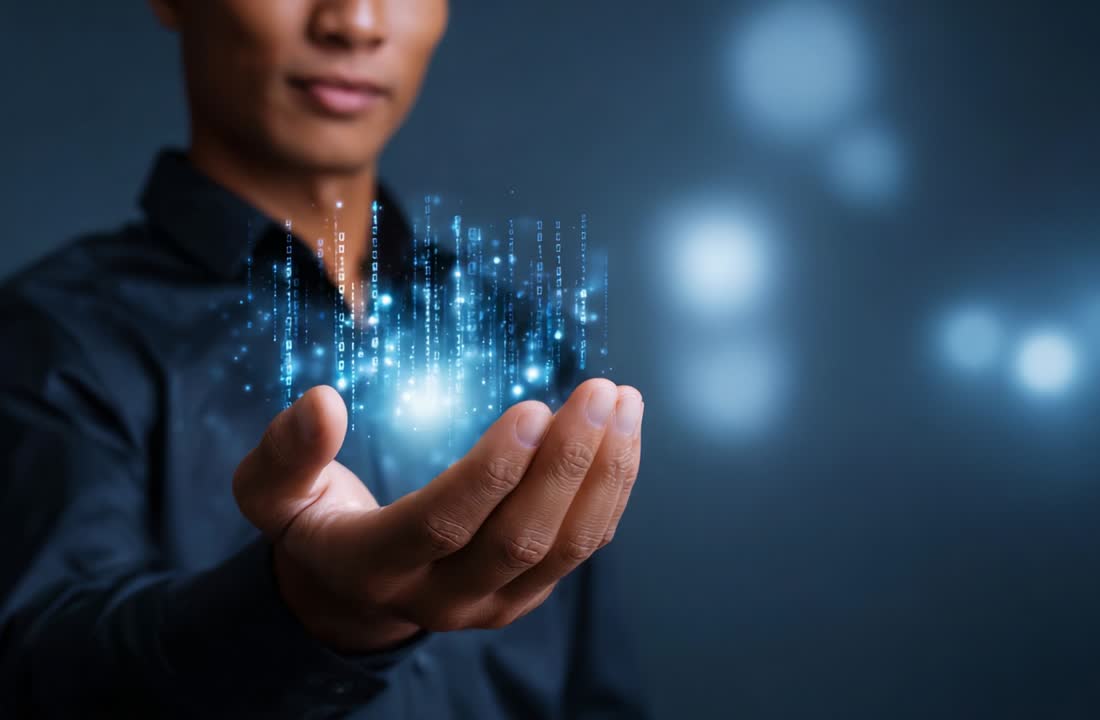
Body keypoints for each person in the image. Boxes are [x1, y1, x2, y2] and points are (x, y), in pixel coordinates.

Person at [0, 1, 647, 717]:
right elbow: (43, 675)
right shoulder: (54, 333)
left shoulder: (520, 338)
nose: (356, 22)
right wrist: (303, 613)